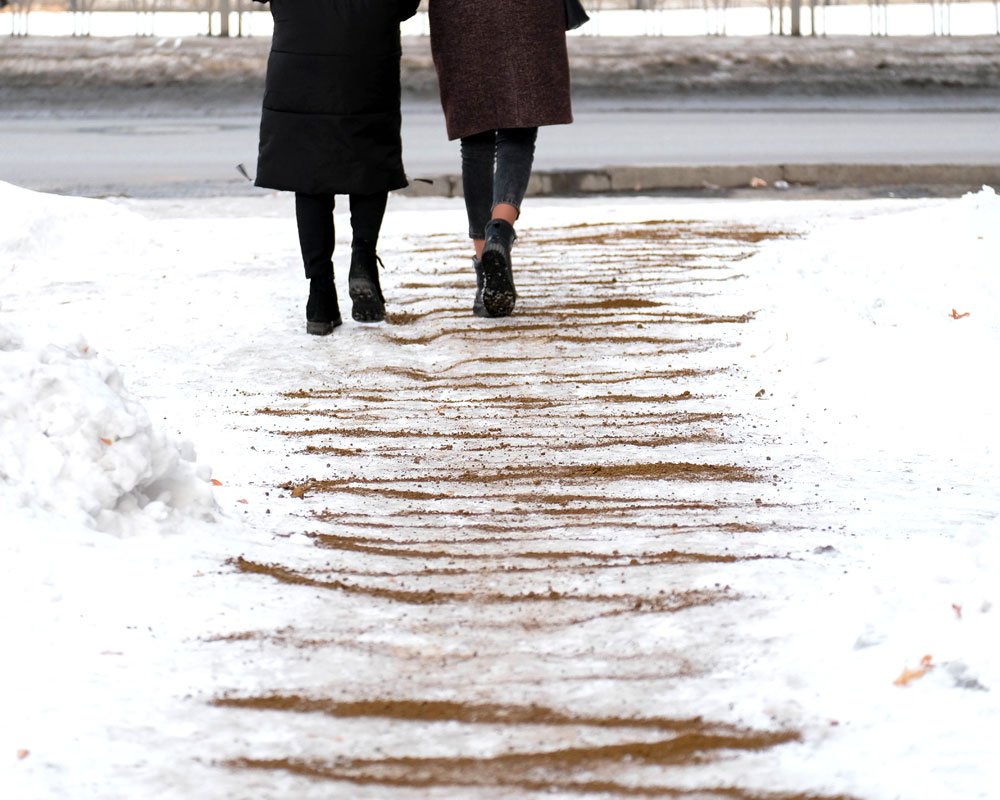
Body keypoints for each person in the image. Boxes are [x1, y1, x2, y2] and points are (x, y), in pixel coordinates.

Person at [252, 0, 421, 335]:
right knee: (369, 158)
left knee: (309, 169)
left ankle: (320, 297)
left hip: (300, 47)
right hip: (367, 47)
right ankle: (362, 259)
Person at [428, 0, 573, 318]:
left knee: (475, 140)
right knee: (518, 132)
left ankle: (484, 273)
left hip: (461, 13)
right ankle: (499, 231)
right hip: (527, 12)